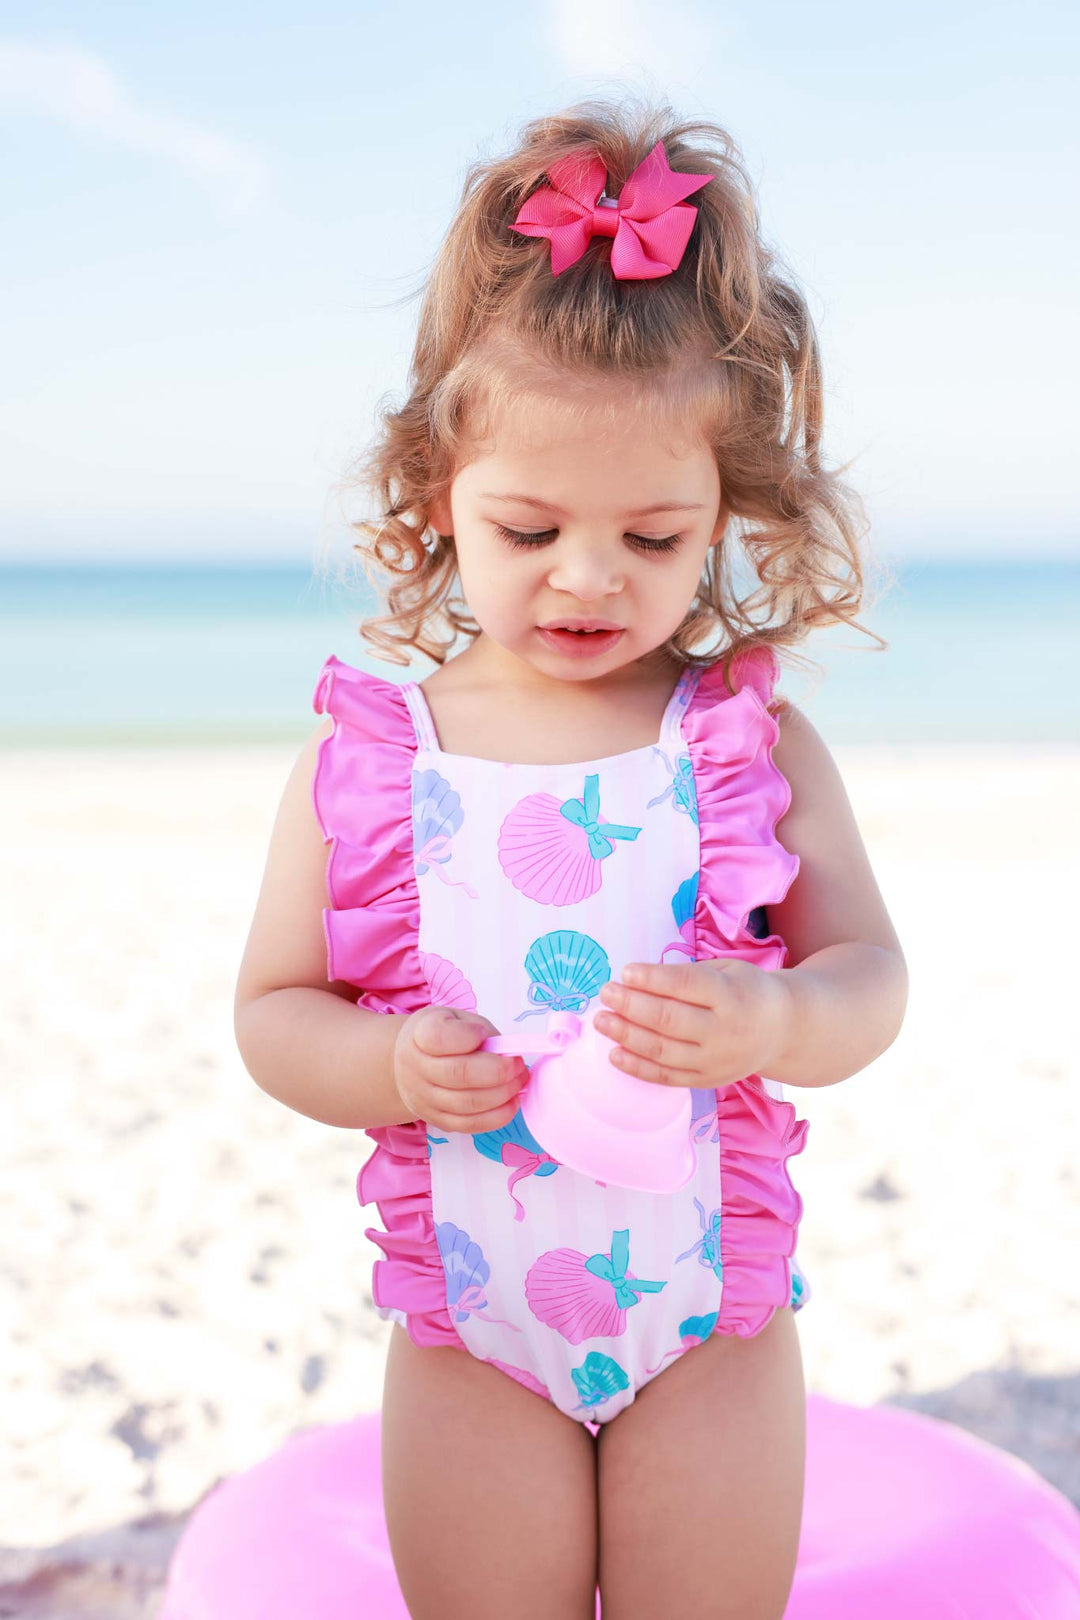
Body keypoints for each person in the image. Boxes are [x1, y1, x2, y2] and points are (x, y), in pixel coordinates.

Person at [233, 97, 909, 1620]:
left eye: (657, 539)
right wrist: (394, 1066)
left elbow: (871, 976)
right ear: (434, 504)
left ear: (729, 518)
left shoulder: (741, 747)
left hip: (703, 1336)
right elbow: (275, 1014)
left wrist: (781, 1023)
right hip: (478, 1331)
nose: (589, 576)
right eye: (529, 529)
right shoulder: (376, 759)